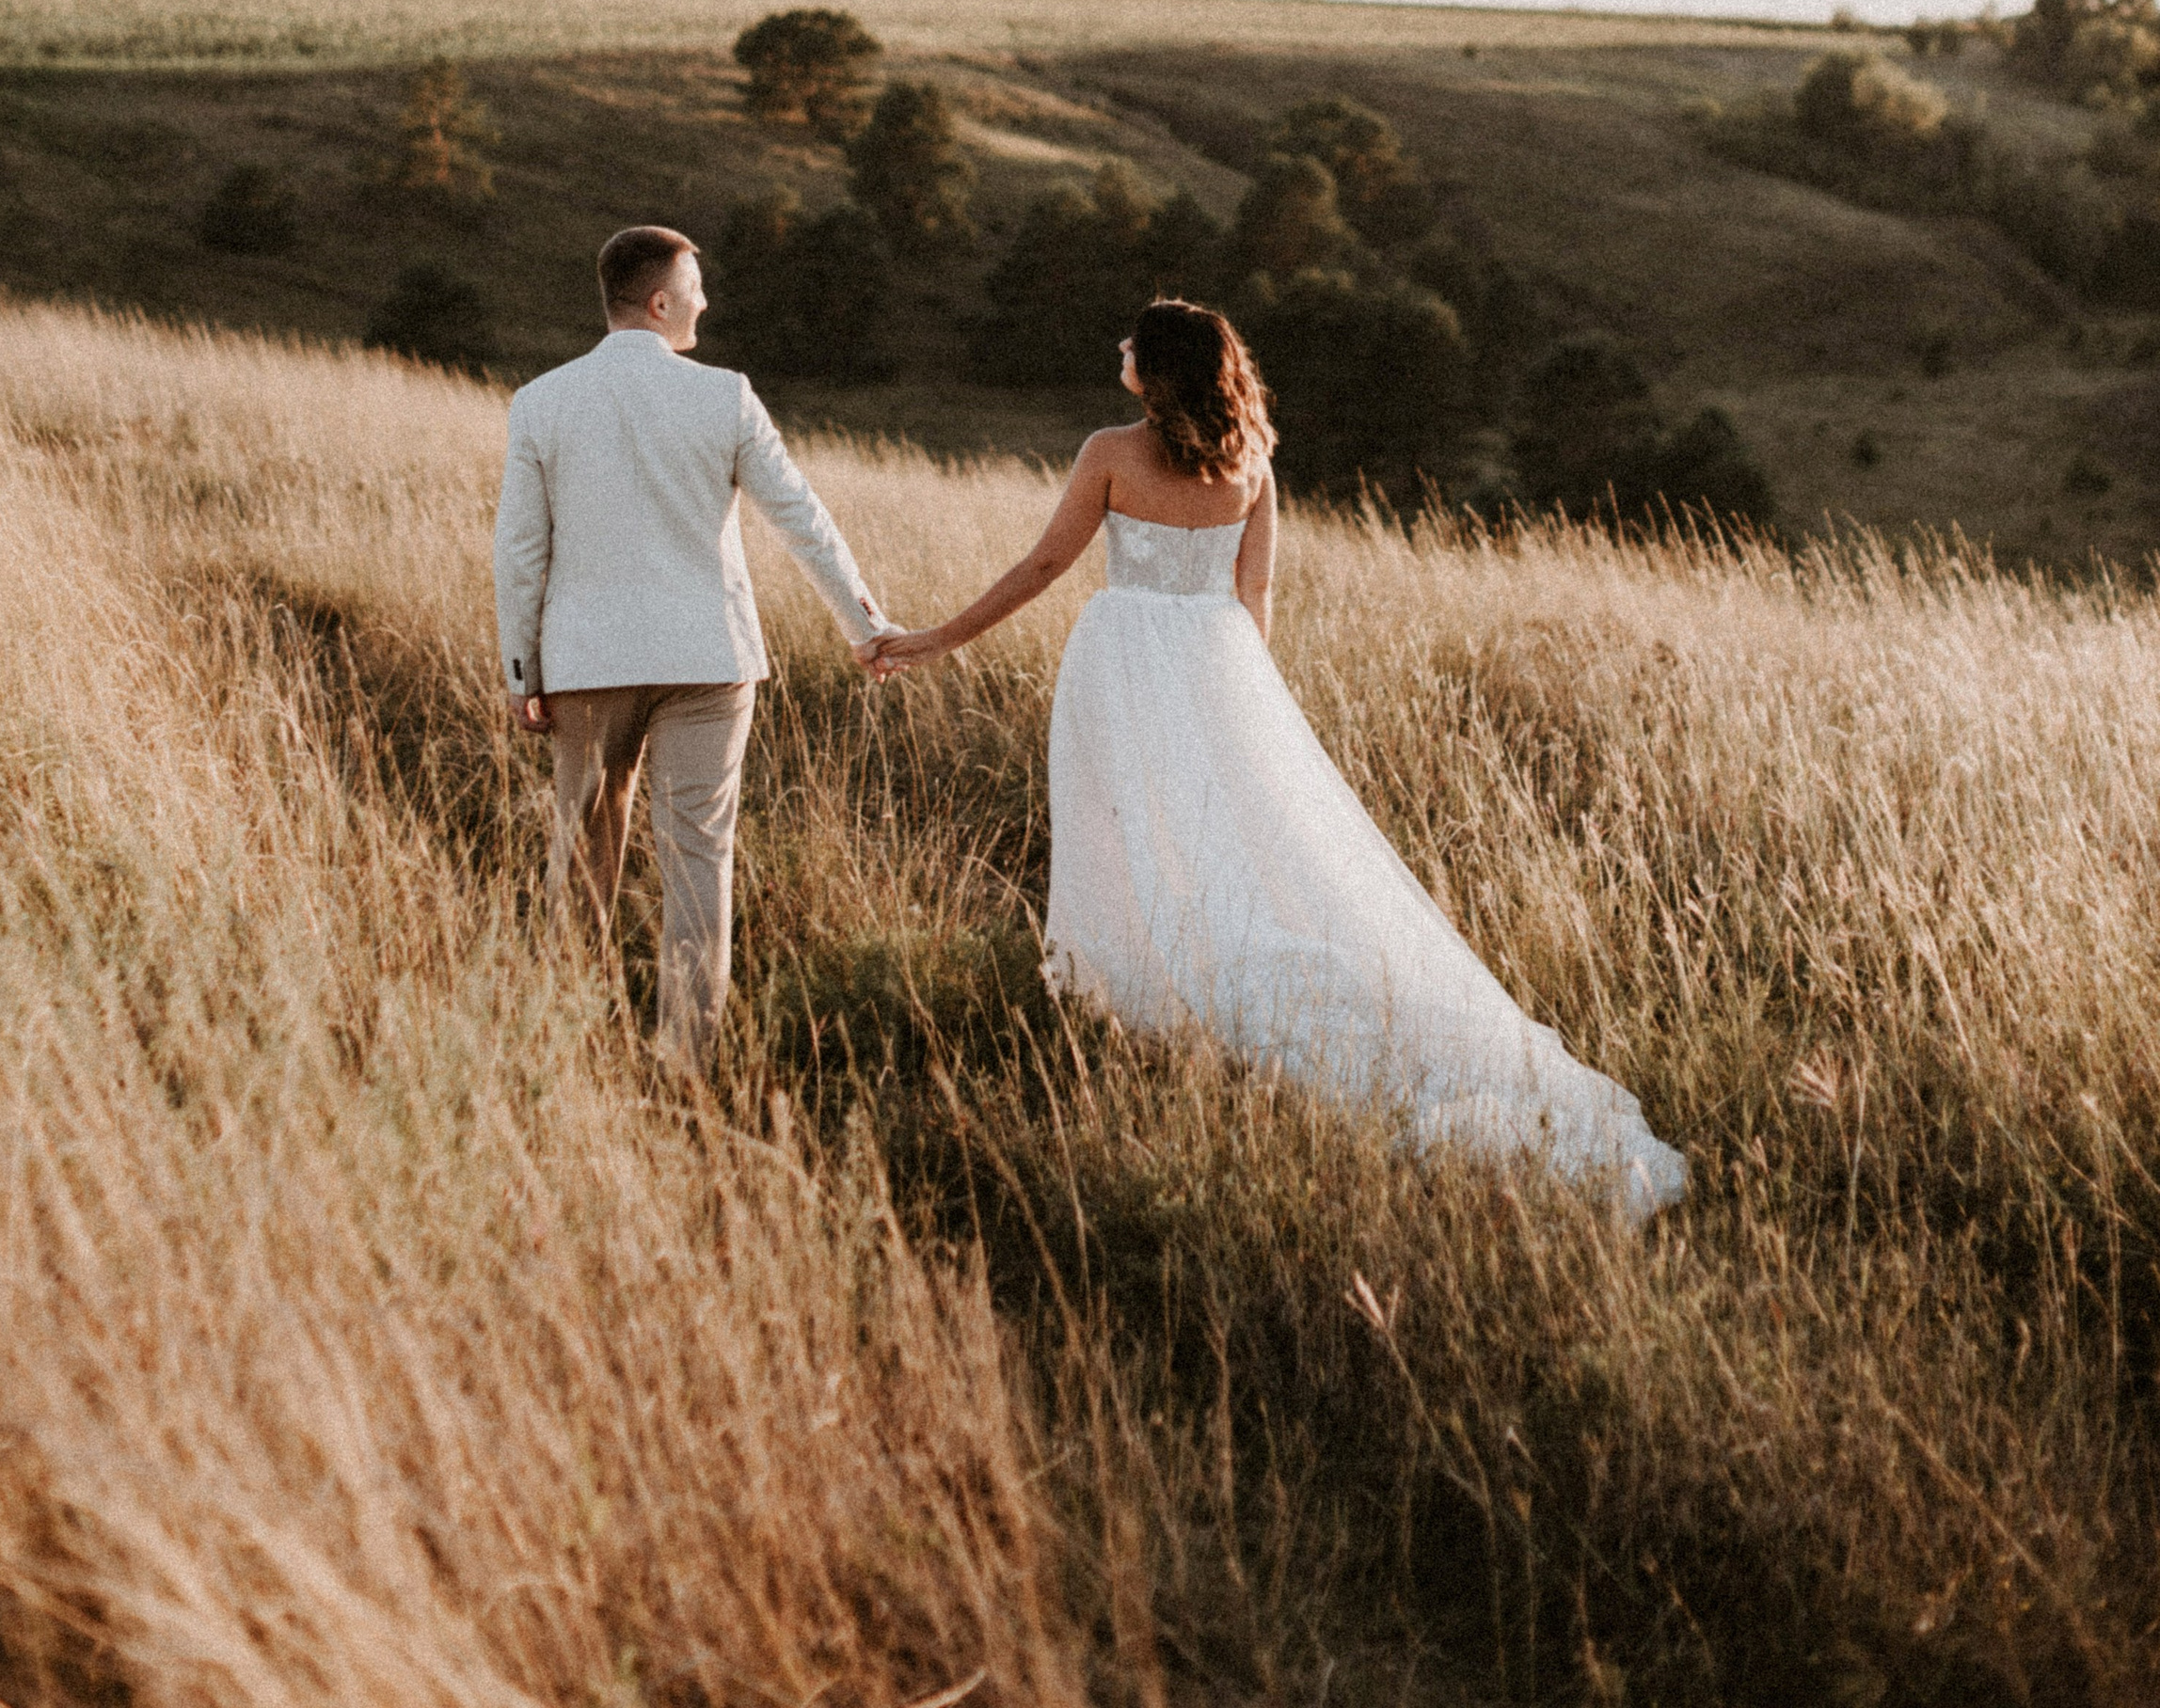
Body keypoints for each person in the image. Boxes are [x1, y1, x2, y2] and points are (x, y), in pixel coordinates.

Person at [872, 297, 1685, 1218]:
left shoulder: (1108, 450)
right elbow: (1254, 591)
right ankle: (1183, 987)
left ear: (1161, 368)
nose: (1120, 348)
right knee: (1229, 842)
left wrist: (931, 637)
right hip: (1218, 660)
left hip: (1121, 659)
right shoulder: (1251, 457)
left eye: (1132, 342)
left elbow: (1042, 567)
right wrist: (1241, 698)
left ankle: (1132, 1000)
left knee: (1124, 829)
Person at [494, 223, 897, 1066]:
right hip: (710, 662)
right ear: (659, 301)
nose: (706, 304)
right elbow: (804, 522)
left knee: (582, 854)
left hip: (584, 665)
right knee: (698, 865)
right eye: (696, 289)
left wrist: (521, 671)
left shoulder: (542, 401)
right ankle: (685, 1060)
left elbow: (522, 552)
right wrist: (865, 628)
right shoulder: (726, 396)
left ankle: (570, 1044)